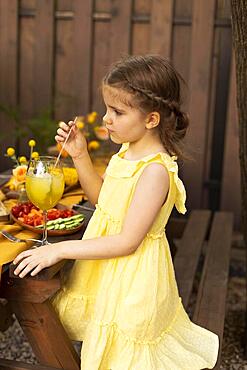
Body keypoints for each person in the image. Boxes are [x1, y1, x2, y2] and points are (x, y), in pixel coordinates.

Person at [13, 55, 219, 369]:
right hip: (110, 271)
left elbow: (128, 242)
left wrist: (60, 250)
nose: (107, 119)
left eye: (118, 112)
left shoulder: (155, 172)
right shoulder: (127, 151)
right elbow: (103, 201)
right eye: (108, 108)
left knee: (124, 356)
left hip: (134, 278)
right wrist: (80, 155)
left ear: (151, 120)